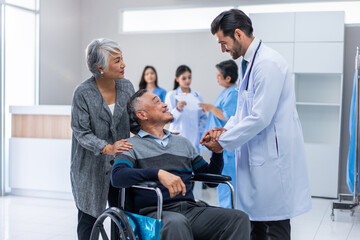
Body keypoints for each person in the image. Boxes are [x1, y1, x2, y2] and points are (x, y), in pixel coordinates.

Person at [201, 9, 312, 240]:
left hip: (272, 160)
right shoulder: (249, 64)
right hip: (256, 157)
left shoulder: (267, 64)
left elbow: (260, 116)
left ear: (239, 34)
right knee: (254, 222)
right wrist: (225, 129)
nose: (222, 49)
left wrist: (223, 141)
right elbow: (243, 109)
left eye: (223, 42)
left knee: (275, 223)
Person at [111, 89, 250, 240]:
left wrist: (217, 152)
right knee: (177, 223)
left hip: (191, 210)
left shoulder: (182, 142)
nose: (165, 104)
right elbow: (117, 176)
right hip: (156, 214)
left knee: (238, 218)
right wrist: (158, 173)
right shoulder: (130, 145)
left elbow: (211, 181)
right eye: (157, 101)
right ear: (142, 115)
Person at [71, 38, 135, 240]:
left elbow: (134, 123)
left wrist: (158, 131)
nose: (123, 64)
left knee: (121, 219)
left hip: (120, 166)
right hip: (90, 168)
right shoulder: (83, 92)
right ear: (100, 67)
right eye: (117, 61)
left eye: (122, 58)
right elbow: (81, 132)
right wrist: (107, 147)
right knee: (89, 220)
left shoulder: (126, 87)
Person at [199, 59, 238, 209]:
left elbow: (229, 116)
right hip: (220, 144)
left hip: (227, 147)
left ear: (228, 78)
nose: (216, 78)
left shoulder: (234, 93)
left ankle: (230, 211)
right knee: (221, 184)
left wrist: (210, 108)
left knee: (227, 183)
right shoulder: (226, 91)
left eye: (218, 75)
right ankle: (226, 210)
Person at [165, 65, 207, 153]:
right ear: (177, 79)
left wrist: (200, 132)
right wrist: (177, 109)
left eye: (189, 77)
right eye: (184, 78)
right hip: (178, 137)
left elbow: (203, 117)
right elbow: (168, 119)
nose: (187, 80)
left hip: (195, 138)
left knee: (195, 163)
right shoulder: (172, 95)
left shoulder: (197, 95)